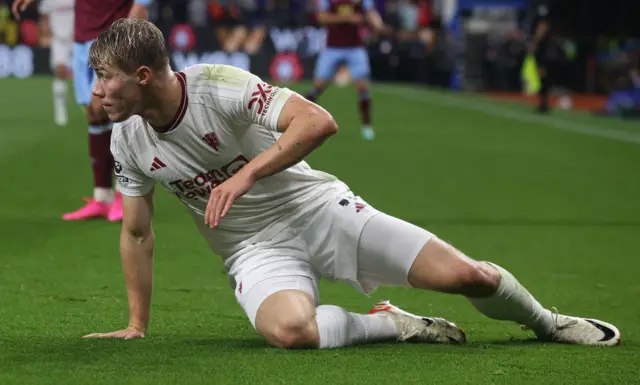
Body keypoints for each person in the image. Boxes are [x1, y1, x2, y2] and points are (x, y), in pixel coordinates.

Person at [81, 19, 620, 348]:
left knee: (469, 276)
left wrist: (245, 175)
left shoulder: (218, 85)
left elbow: (318, 121)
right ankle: (395, 326)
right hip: (252, 249)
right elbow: (136, 234)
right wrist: (136, 325)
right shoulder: (126, 138)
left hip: (319, 209)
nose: (98, 91)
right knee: (290, 332)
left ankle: (548, 323)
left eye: (105, 76)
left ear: (144, 76)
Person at [12, 0, 153, 222]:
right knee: (92, 114)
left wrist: (136, 17)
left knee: (110, 107)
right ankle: (102, 197)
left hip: (112, 34)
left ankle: (124, 194)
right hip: (81, 37)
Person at [305, 0, 387, 141]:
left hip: (355, 47)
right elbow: (322, 17)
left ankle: (367, 125)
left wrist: (378, 24)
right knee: (318, 86)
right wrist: (347, 18)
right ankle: (301, 119)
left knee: (363, 87)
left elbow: (370, 13)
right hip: (332, 47)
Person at [37, 0, 74, 126]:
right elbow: (43, 17)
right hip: (58, 39)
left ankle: (88, 105)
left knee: (88, 73)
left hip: (78, 38)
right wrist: (44, 34)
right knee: (60, 71)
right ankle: (60, 109)